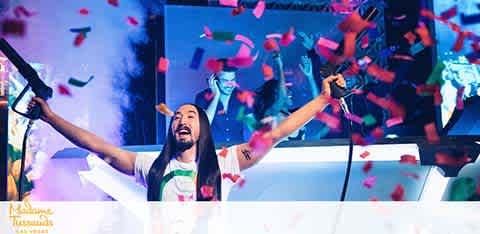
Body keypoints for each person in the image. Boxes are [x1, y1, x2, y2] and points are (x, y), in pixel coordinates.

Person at [29, 74, 345, 201]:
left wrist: (322, 100)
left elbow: (276, 133)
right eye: (177, 116)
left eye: (190, 116)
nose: (181, 120)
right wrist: (51, 117)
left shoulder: (227, 162)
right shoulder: (151, 167)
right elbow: (97, 146)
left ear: (202, 128)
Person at [194, 59, 249, 144]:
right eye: (225, 81)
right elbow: (203, 126)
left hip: (237, 152)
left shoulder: (242, 97)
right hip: (212, 151)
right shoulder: (202, 98)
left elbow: (254, 126)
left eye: (232, 80)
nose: (230, 84)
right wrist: (216, 96)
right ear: (215, 80)